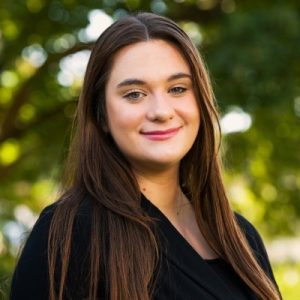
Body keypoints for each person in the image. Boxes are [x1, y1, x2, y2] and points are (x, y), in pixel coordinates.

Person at [10, 12, 281, 300]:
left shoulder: (241, 238)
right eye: (135, 94)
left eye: (177, 89)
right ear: (101, 114)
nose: (161, 111)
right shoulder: (67, 234)